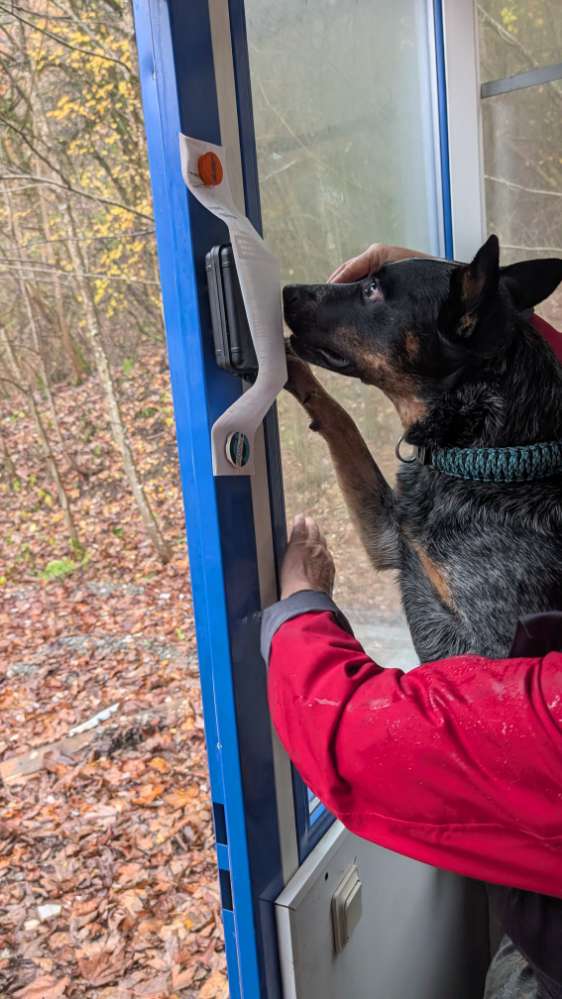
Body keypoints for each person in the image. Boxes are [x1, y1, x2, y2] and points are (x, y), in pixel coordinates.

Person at [261, 244, 562, 999]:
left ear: (462, 335)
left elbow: (429, 740)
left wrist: (301, 616)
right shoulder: (468, 470)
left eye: (375, 297)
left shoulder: (521, 537)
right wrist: (320, 405)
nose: (350, 297)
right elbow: (392, 541)